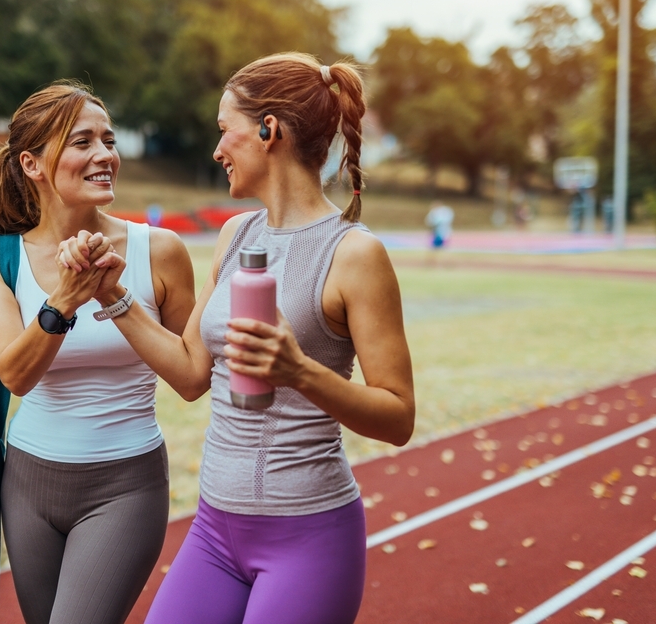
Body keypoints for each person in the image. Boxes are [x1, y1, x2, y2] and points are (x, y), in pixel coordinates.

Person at [91, 53, 416, 624]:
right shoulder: (236, 234)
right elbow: (192, 372)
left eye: (224, 131)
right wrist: (110, 296)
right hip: (216, 528)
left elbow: (398, 417)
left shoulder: (355, 254)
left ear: (270, 130)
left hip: (309, 534)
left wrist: (300, 371)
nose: (217, 150)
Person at [0, 80, 196, 624]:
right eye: (82, 142)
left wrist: (114, 296)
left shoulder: (157, 251)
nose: (105, 156)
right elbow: (14, 374)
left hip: (125, 483)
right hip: (27, 485)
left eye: (109, 140)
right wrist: (68, 296)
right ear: (33, 164)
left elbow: (193, 378)